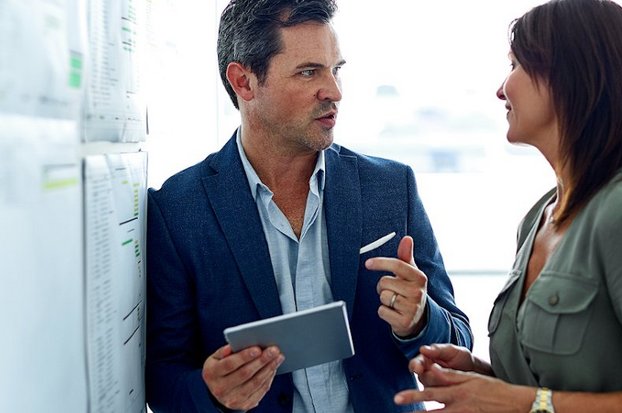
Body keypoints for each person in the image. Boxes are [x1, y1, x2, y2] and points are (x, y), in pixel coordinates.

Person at [145, 0, 473, 412]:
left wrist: (421, 321)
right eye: (308, 72)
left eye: (336, 69)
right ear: (244, 82)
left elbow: (460, 342)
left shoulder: (390, 187)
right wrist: (210, 393)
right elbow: (161, 378)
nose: (334, 91)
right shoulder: (178, 210)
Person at [394, 0, 622, 412]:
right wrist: (479, 378)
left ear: (569, 78)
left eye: (515, 65)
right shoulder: (540, 216)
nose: (501, 89)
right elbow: (546, 389)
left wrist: (519, 401)